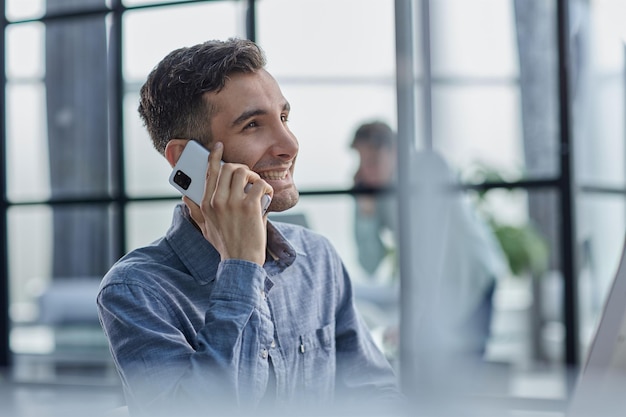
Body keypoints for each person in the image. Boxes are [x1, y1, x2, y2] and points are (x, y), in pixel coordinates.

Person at [96, 39, 403, 417]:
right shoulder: (137, 290)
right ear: (187, 160)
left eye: (284, 118)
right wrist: (240, 268)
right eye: (253, 124)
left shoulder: (317, 259)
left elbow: (376, 394)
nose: (290, 144)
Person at [349, 121, 508, 357]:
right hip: (435, 290)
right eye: (361, 162)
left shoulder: (427, 170)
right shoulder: (375, 191)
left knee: (464, 366)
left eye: (373, 161)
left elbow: (431, 253)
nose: (366, 171)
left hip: (471, 278)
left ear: (396, 153)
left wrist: (412, 320)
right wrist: (365, 214)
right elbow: (369, 264)